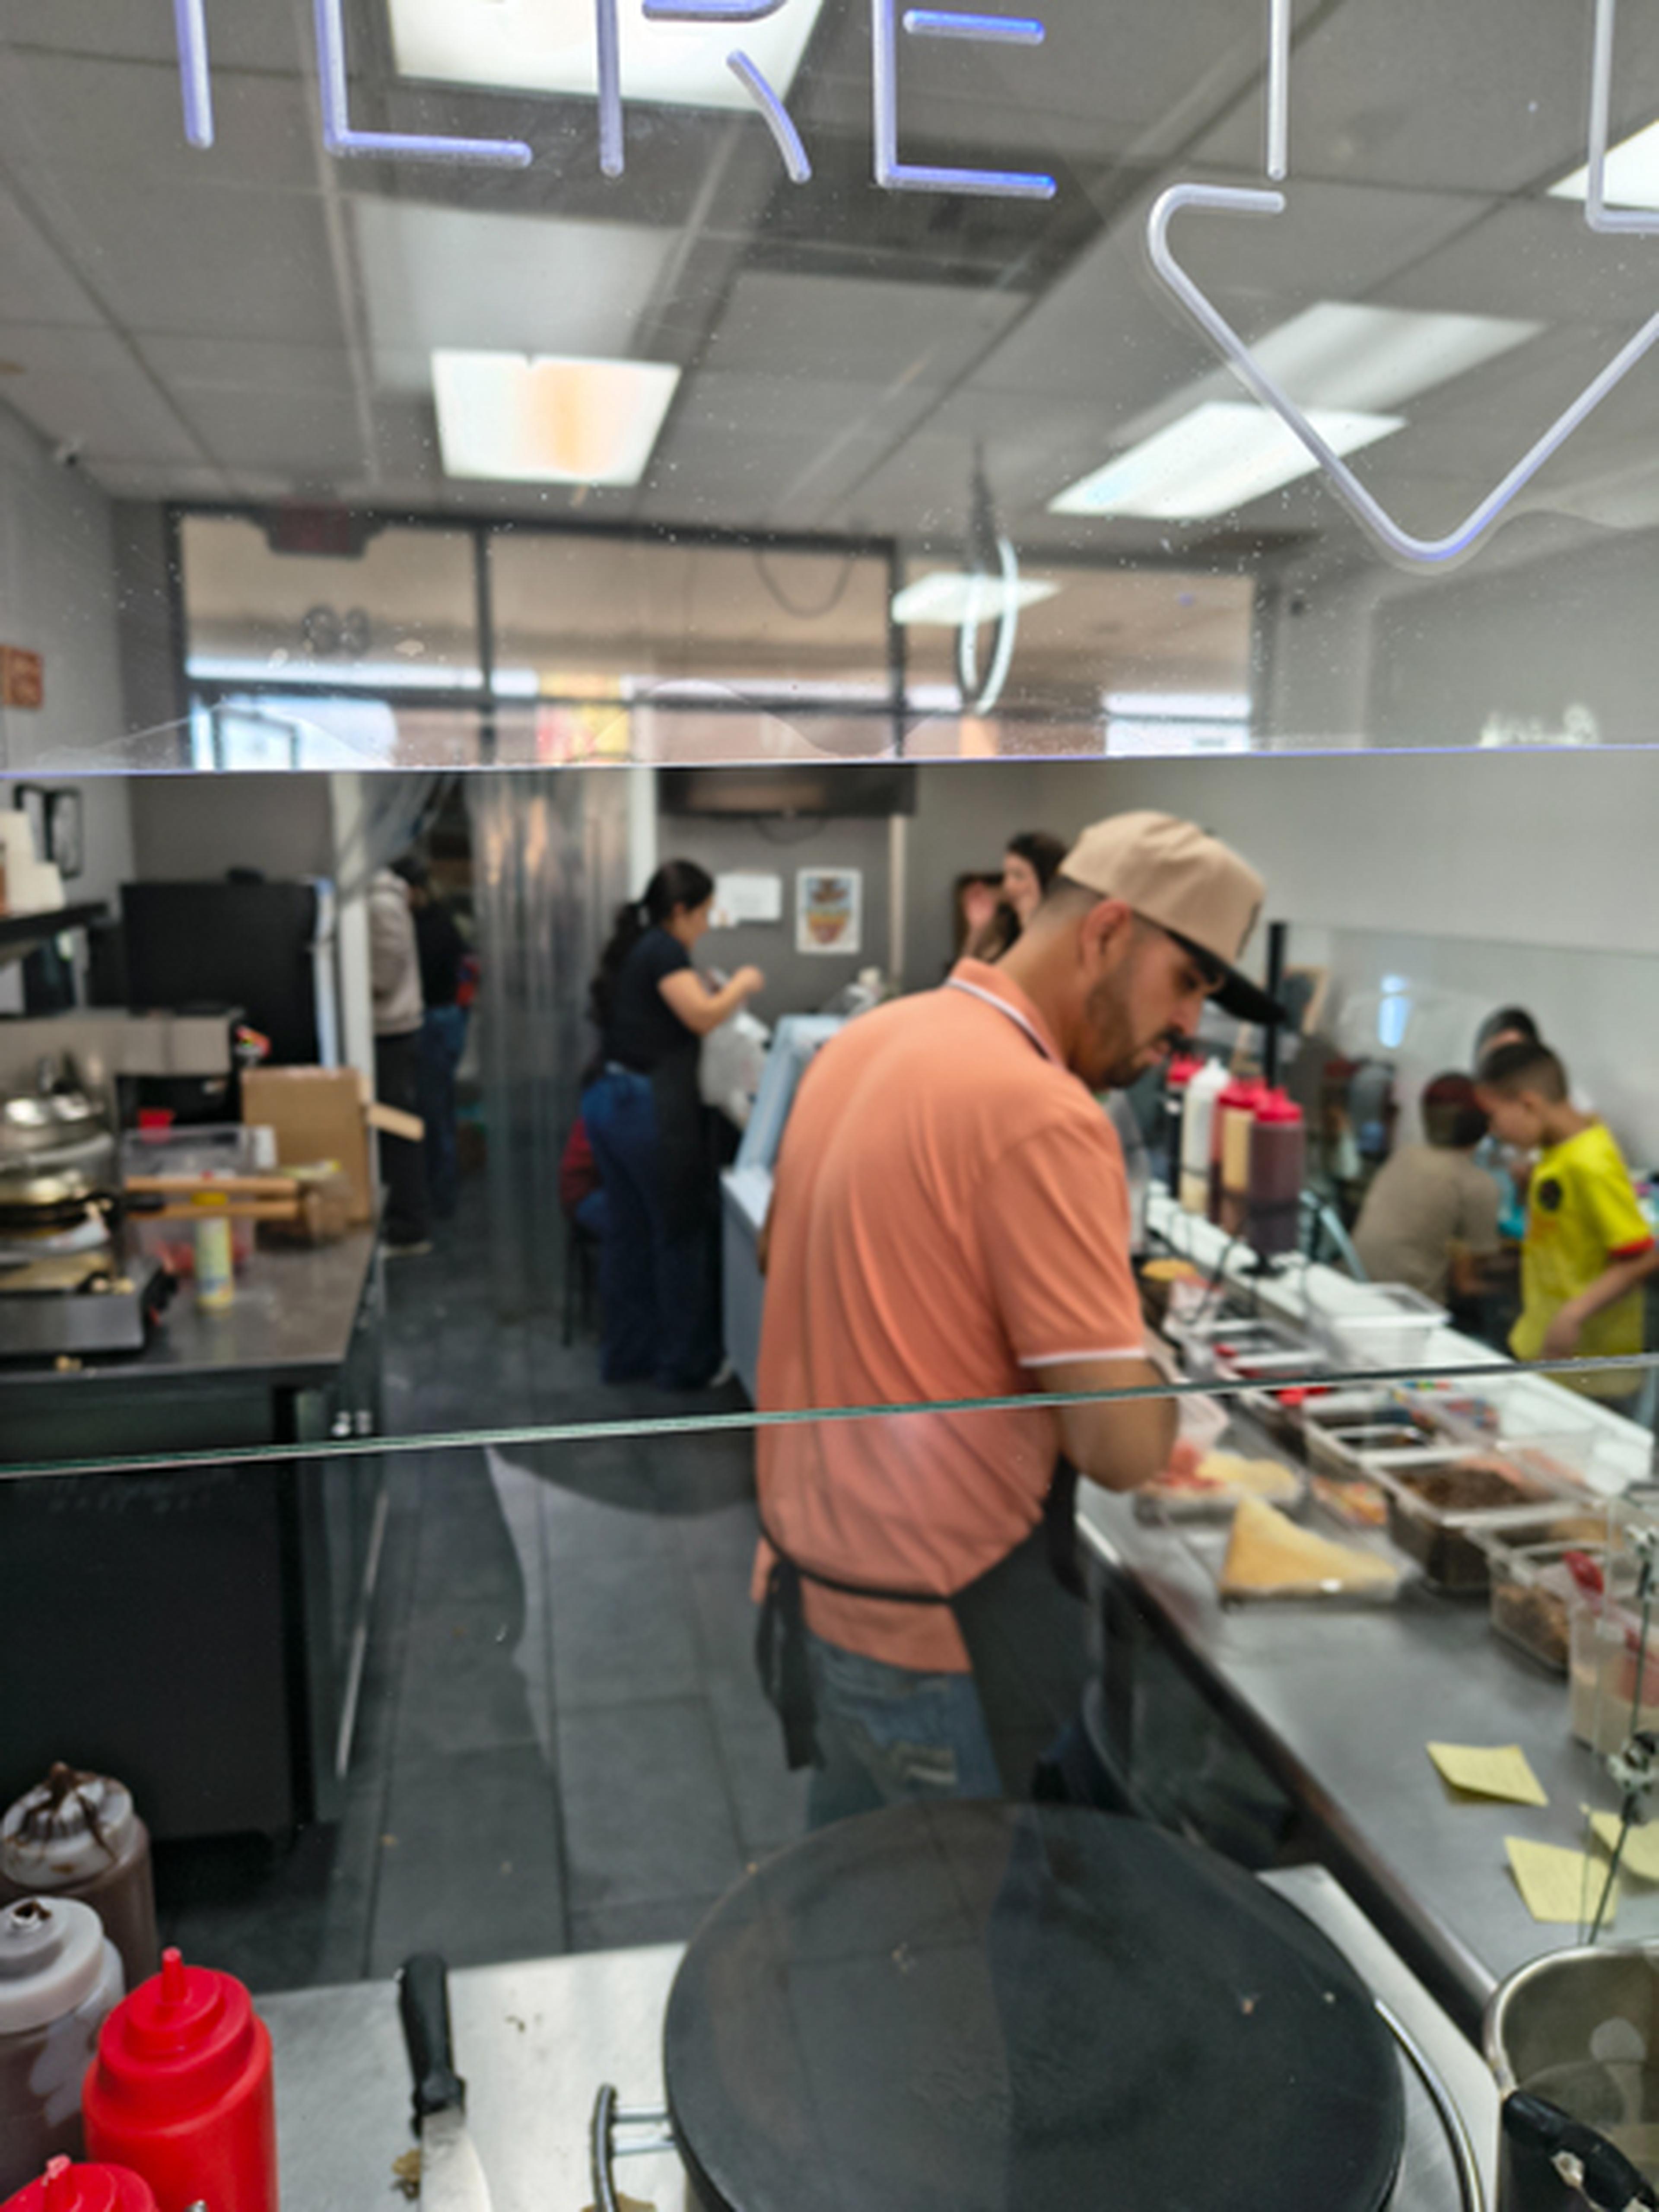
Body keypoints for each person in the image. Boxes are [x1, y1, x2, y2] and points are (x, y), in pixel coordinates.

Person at [752, 810, 1279, 1826]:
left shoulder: (869, 1039)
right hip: (940, 1638)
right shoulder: (1042, 1109)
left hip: (810, 1599)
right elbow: (1120, 1445)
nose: (1186, 1026)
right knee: (961, 1965)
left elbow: (786, 1254)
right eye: (1185, 983)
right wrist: (1147, 1360)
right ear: (1108, 931)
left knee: (855, 1936)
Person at [582, 861, 764, 1391]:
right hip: (645, 1108)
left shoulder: (642, 951)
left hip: (609, 1100)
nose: (707, 924)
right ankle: (685, 1363)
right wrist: (744, 985)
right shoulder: (663, 949)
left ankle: (628, 1357)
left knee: (630, 1234)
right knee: (678, 1234)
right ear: (681, 910)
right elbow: (703, 1017)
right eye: (705, 912)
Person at [1478, 1041, 1659, 1403]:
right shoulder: (1557, 1152)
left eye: (1494, 1116)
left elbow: (1643, 1256)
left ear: (1529, 1103)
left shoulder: (1590, 1161)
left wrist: (1573, 1314)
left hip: (1587, 1365)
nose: (1494, 1131)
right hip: (1546, 1348)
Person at [1351, 1073, 1502, 1303]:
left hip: (1353, 1288)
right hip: (1409, 1310)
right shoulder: (1477, 1183)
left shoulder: (1405, 1155)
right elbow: (1466, 1283)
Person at [394, 855, 469, 1220]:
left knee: (433, 1115)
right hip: (447, 1020)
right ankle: (441, 1195)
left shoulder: (426, 927)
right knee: (439, 1112)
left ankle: (438, 1200)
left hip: (435, 1022)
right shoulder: (441, 920)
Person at [368, 865, 429, 1255]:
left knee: (398, 1133)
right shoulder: (382, 901)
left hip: (391, 1032)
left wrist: (352, 979)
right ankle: (406, 1221)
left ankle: (410, 1228)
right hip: (390, 1030)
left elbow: (384, 976)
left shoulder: (379, 904)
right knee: (396, 1131)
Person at [960, 830, 1068, 961]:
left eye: (1018, 876)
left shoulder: (1065, 932)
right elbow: (970, 976)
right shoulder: (1004, 924)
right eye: (1007, 875)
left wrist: (1030, 923)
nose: (1008, 886)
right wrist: (977, 932)